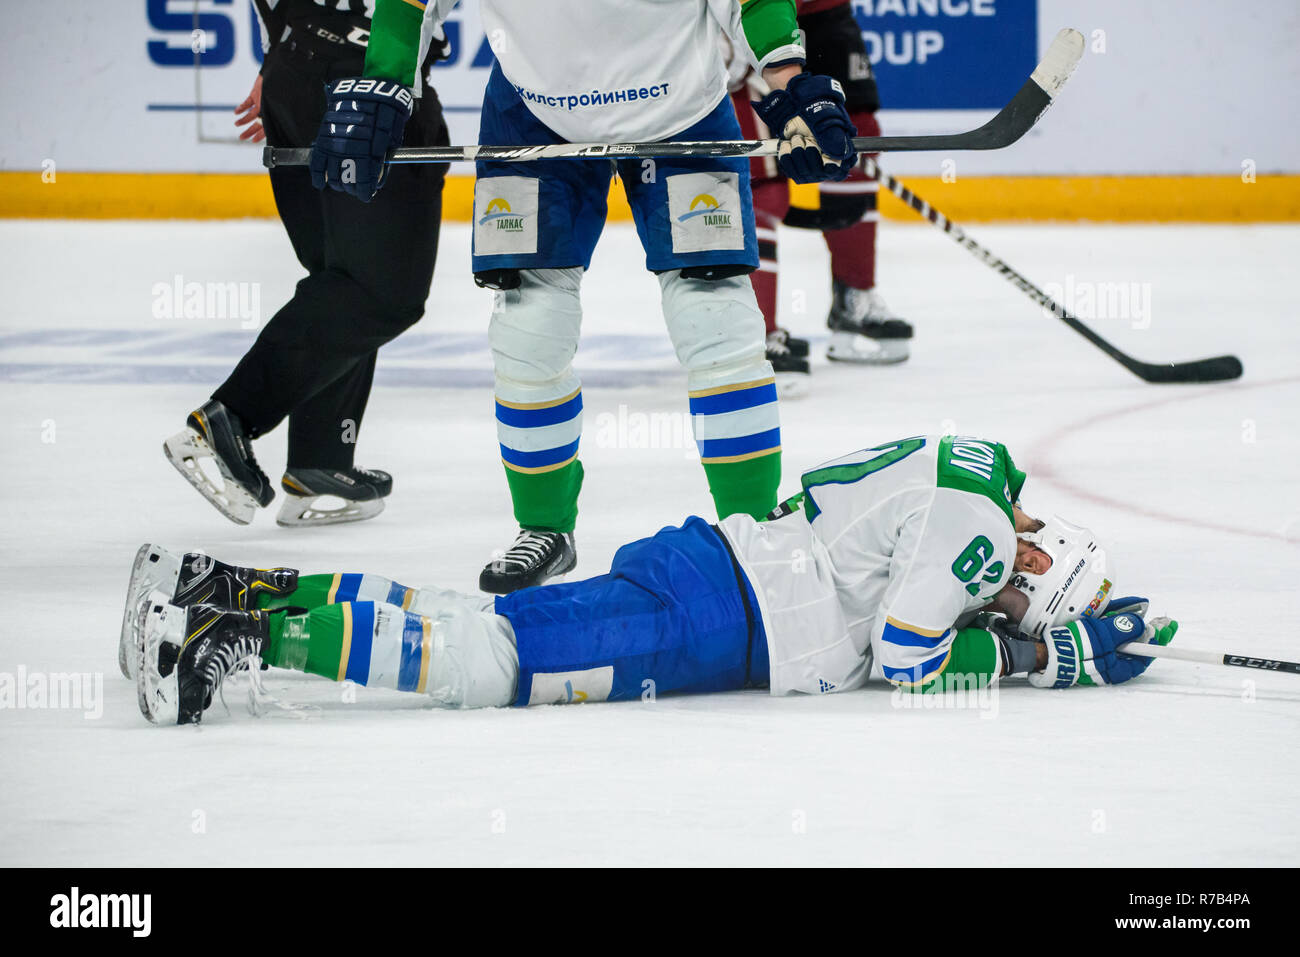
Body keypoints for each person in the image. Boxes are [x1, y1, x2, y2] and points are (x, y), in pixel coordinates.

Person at [307, 0, 861, 593]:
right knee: (529, 328)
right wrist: (384, 82)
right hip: (532, 110)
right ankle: (543, 526)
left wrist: (791, 82)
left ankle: (755, 528)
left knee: (717, 320)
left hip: (682, 113)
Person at [124, 434, 1178, 725]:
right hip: (721, 616)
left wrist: (1032, 639)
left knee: (494, 626)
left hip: (719, 579)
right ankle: (231, 633)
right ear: (1035, 561)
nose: (990, 602)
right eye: (1008, 597)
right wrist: (1041, 660)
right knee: (493, 662)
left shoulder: (970, 471)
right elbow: (908, 659)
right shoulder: (981, 531)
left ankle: (233, 590)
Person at [162, 0, 450, 527]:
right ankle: (231, 420)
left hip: (296, 77)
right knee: (382, 292)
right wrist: (383, 82)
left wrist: (277, 60)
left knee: (341, 278)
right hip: (371, 81)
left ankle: (321, 458)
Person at [728, 0, 913, 391]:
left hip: (821, 8)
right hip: (742, 8)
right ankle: (755, 334)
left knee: (854, 134)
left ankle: (855, 299)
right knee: (757, 164)